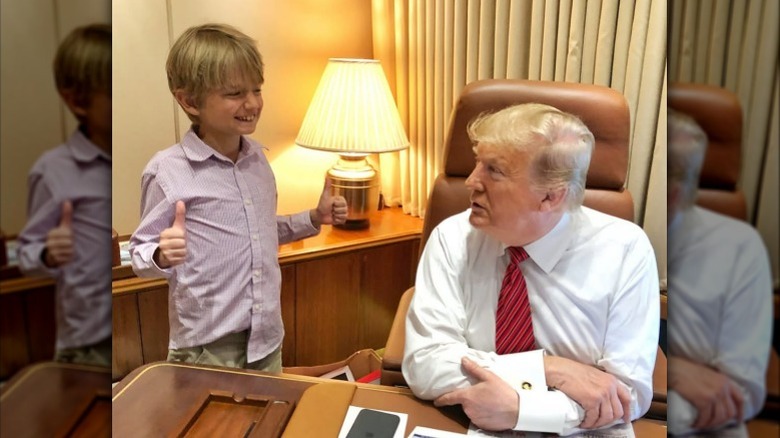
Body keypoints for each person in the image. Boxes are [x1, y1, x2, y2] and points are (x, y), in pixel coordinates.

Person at [403, 103, 659, 435]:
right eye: (477, 163)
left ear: (551, 197)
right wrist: (548, 370)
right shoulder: (453, 237)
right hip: (469, 424)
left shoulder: (625, 249)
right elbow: (426, 364)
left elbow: (626, 396)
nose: (471, 181)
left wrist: (523, 410)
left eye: (494, 170)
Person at [129, 23, 347, 372]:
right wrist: (160, 254)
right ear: (189, 101)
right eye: (234, 93)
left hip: (266, 338)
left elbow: (259, 233)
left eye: (256, 89)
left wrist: (313, 218)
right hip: (206, 348)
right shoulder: (167, 171)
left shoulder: (258, 161)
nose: (252, 103)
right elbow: (138, 253)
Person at [666, 109, 772, 436]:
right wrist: (674, 373)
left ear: (676, 194)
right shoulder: (623, 238)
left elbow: (738, 396)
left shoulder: (740, 248)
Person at [16, 24, 112, 366]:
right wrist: (47, 254)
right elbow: (26, 253)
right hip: (84, 346)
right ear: (77, 100)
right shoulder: (53, 170)